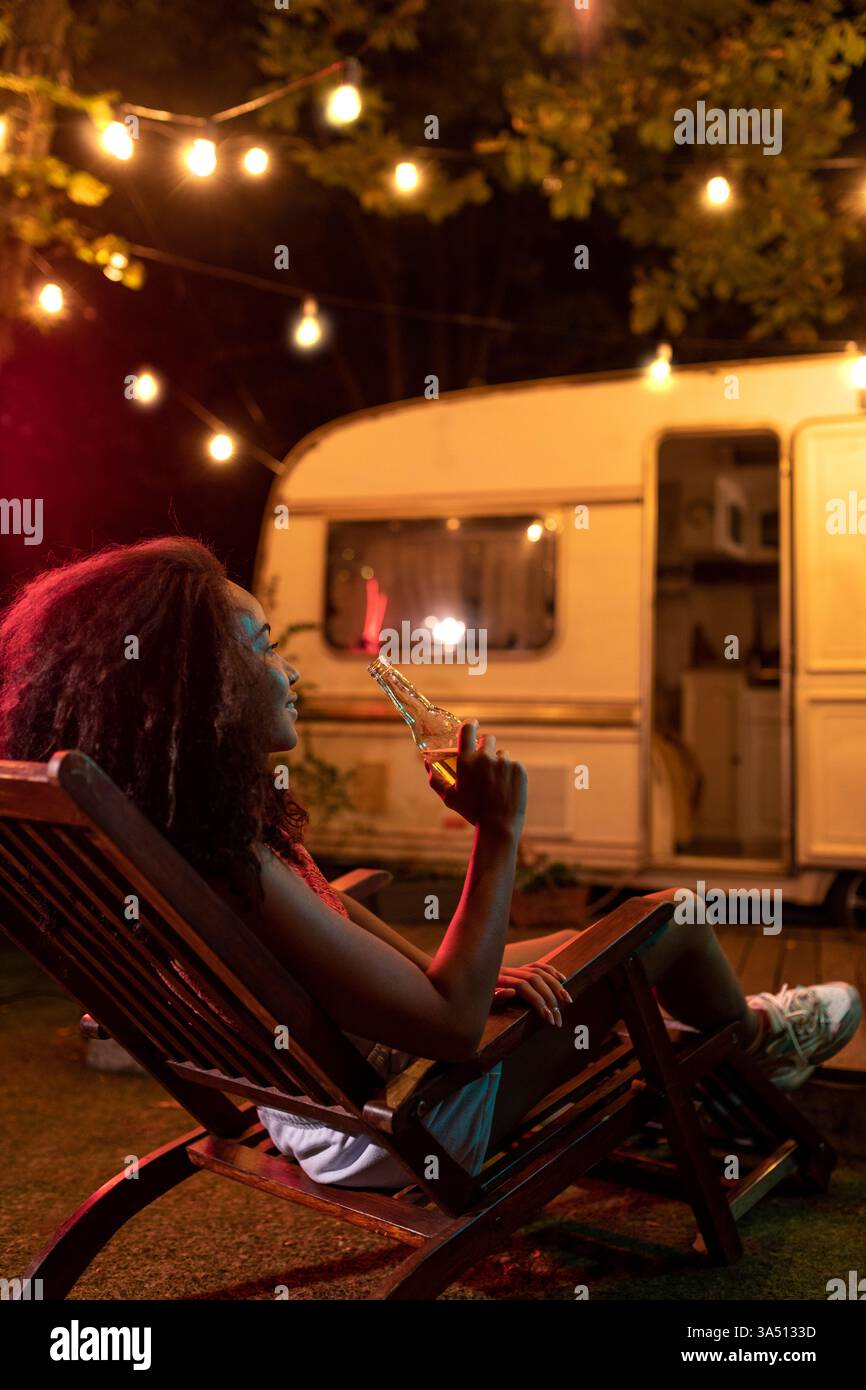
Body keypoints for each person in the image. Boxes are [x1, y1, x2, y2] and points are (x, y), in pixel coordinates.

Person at [0, 536, 859, 1191]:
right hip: (409, 1128)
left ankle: (709, 1043)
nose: (291, 669)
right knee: (665, 921)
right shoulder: (235, 872)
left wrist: (472, 974)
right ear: (191, 688)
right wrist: (499, 832)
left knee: (562, 946)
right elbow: (449, 1029)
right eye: (262, 648)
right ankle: (757, 1040)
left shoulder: (189, 845)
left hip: (323, 1103)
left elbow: (343, 924)